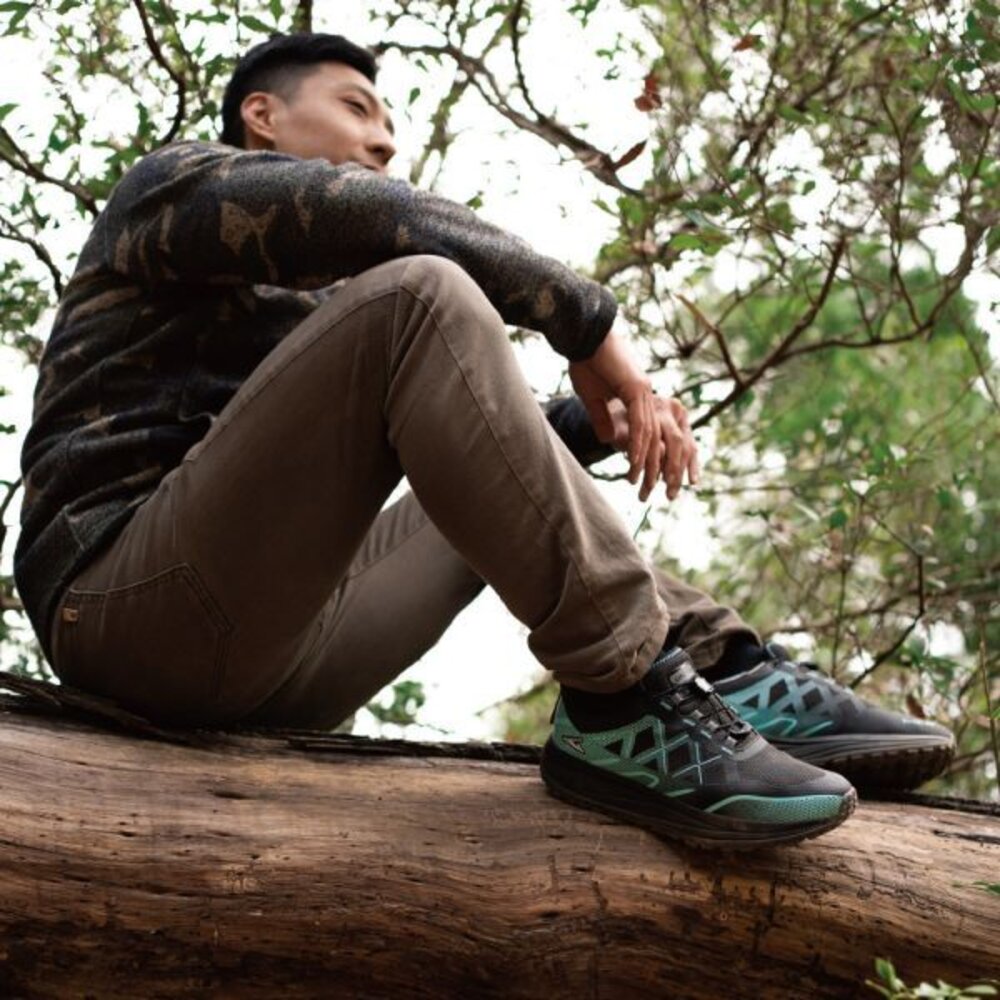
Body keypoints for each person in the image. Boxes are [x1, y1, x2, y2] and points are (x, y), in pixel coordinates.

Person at [16, 32, 954, 850]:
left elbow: (474, 442)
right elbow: (360, 217)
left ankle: (721, 668)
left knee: (478, 428)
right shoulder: (170, 189)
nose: (385, 140)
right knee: (423, 291)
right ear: (261, 116)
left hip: (282, 664)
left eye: (388, 123)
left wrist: (588, 423)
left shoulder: (319, 316)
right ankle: (623, 699)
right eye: (357, 109)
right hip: (122, 615)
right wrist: (588, 329)